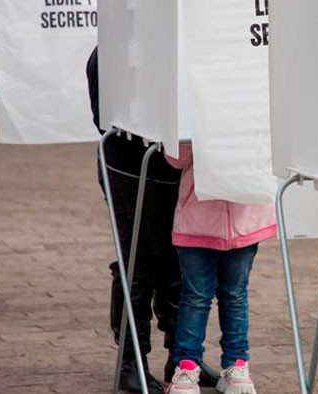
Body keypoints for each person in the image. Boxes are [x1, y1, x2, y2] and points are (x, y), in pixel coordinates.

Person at [86, 48, 219, 392]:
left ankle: (182, 354)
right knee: (138, 261)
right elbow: (104, 116)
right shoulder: (114, 46)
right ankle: (131, 361)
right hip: (129, 167)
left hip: (179, 168)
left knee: (179, 261)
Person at [164, 143, 276, 394]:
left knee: (232, 295)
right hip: (199, 221)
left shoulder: (256, 109)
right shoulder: (194, 109)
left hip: (244, 219)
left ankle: (236, 365)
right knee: (198, 297)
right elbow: (176, 158)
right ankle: (187, 366)